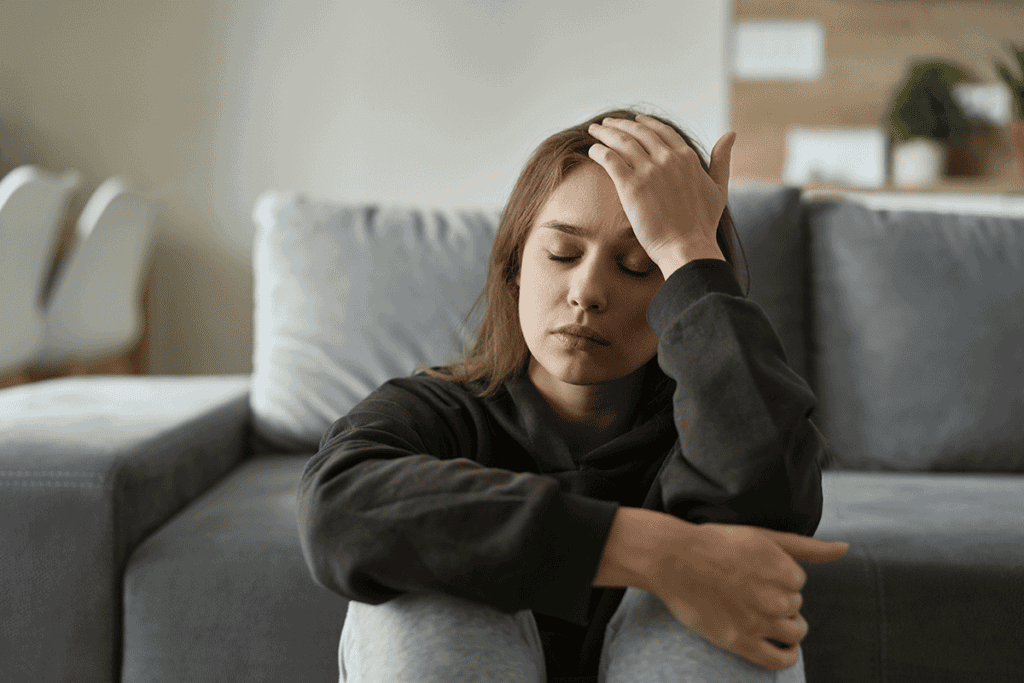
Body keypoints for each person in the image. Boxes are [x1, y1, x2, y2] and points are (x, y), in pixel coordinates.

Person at [297, 106, 849, 682]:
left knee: (725, 591)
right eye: (561, 255)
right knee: (418, 582)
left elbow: (771, 504)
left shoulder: (706, 424)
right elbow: (336, 507)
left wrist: (689, 251)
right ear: (514, 267)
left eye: (638, 266)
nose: (586, 292)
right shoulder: (438, 411)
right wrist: (655, 552)